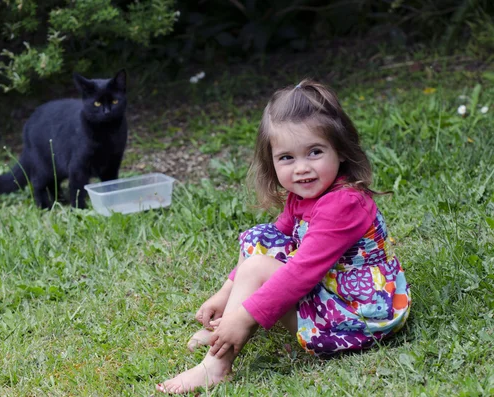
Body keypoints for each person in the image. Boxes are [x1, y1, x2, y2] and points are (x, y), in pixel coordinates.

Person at [156, 79, 411, 394]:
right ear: (272, 160)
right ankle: (228, 321)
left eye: (314, 152)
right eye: (287, 158)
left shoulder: (343, 203)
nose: (301, 168)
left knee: (258, 268)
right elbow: (273, 238)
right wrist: (225, 294)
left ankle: (216, 366)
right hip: (335, 292)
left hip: (360, 318)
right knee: (261, 237)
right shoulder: (303, 195)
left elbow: (300, 273)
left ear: (341, 150)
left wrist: (246, 316)